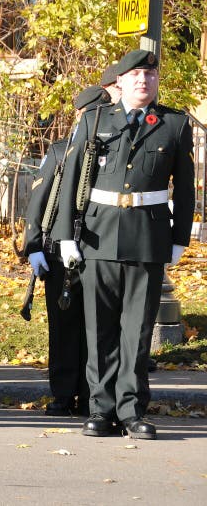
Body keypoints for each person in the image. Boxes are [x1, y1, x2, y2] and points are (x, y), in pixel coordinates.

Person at [57, 49, 195, 440]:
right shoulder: (97, 119)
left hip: (147, 238)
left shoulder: (174, 123)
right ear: (120, 81)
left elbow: (185, 189)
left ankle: (132, 410)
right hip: (98, 236)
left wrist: (179, 238)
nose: (143, 81)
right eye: (135, 75)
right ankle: (100, 410)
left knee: (136, 331)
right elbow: (71, 180)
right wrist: (66, 235)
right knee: (99, 330)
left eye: (149, 76)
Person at [23, 85, 110, 416]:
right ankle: (62, 394)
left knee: (95, 328)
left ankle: (90, 395)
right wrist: (33, 247)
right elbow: (38, 200)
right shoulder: (61, 150)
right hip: (60, 251)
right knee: (63, 327)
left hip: (99, 247)